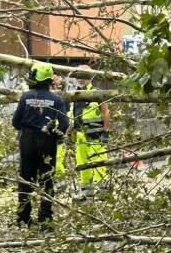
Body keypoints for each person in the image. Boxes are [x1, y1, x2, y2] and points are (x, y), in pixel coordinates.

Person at [12, 62, 68, 228]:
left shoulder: (25, 97)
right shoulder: (57, 99)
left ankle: (23, 218)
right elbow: (64, 123)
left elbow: (15, 122)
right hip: (47, 141)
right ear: (49, 79)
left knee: (25, 179)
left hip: (27, 141)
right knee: (47, 179)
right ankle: (45, 219)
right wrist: (56, 134)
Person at [71, 65, 109, 197]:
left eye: (84, 76)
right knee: (82, 161)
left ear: (90, 77)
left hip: (95, 132)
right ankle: (86, 189)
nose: (80, 79)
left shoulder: (96, 92)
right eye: (78, 77)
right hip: (80, 133)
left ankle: (103, 189)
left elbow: (105, 112)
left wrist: (105, 131)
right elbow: (73, 114)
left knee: (99, 160)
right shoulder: (74, 94)